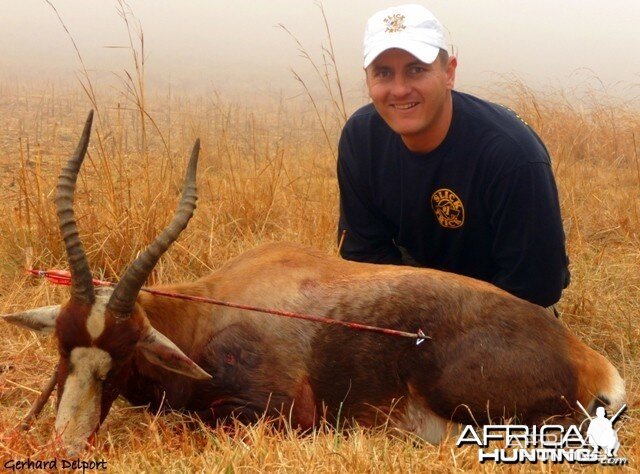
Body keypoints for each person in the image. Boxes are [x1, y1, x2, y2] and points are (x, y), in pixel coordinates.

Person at [337, 4, 570, 308]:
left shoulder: (512, 155)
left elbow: (536, 287)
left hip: (505, 305)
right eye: (383, 73)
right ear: (368, 80)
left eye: (416, 69)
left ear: (449, 73)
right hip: (412, 287)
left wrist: (450, 328)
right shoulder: (360, 137)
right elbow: (363, 255)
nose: (400, 89)